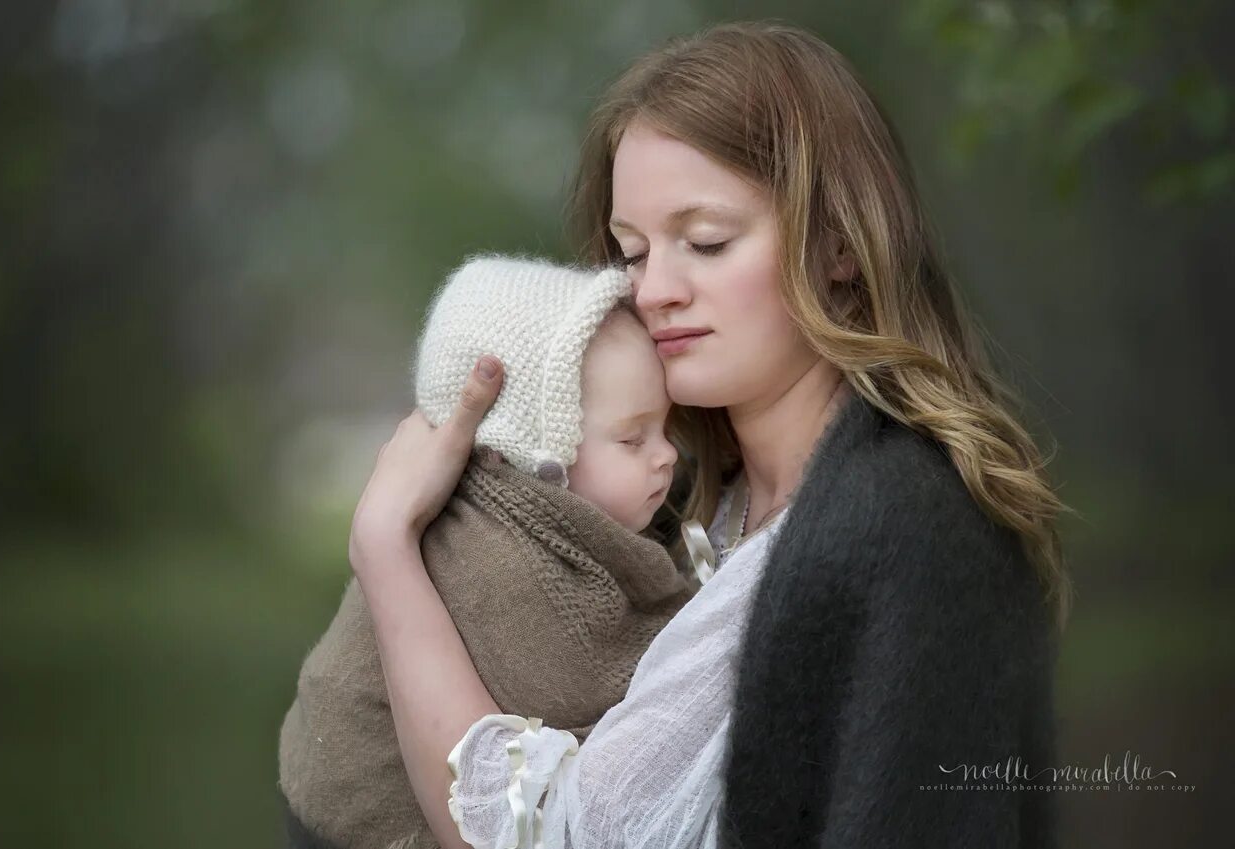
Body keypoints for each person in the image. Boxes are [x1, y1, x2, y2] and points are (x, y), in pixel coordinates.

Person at [345, 21, 1068, 849]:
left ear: (837, 244)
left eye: (706, 241)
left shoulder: (896, 522)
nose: (654, 289)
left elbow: (555, 835)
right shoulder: (683, 500)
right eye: (632, 251)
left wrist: (386, 551)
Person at [279, 255, 694, 849]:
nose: (667, 456)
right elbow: (623, 689)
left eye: (666, 429)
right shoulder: (509, 565)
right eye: (633, 438)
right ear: (540, 458)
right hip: (357, 822)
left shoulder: (540, 523)